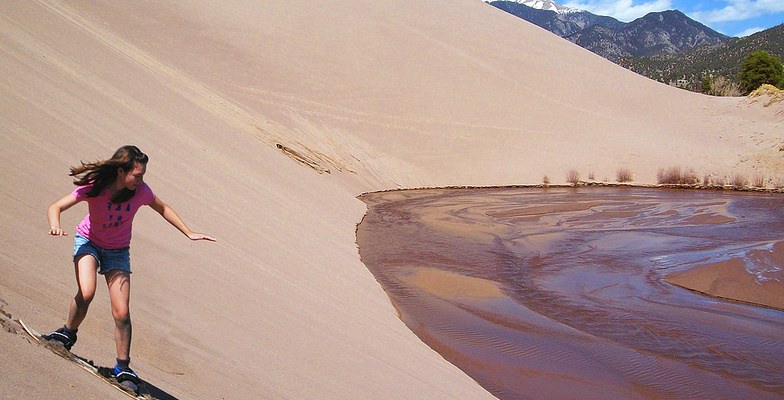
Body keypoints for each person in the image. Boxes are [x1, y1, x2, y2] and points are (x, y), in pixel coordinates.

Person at [44, 145, 215, 387]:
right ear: (121, 171)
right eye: (137, 175)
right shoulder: (96, 186)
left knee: (122, 312)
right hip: (89, 242)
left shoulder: (141, 192)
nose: (141, 180)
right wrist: (55, 224)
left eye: (143, 175)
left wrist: (189, 233)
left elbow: (163, 208)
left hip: (118, 252)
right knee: (86, 292)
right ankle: (66, 334)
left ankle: (123, 368)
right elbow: (56, 206)